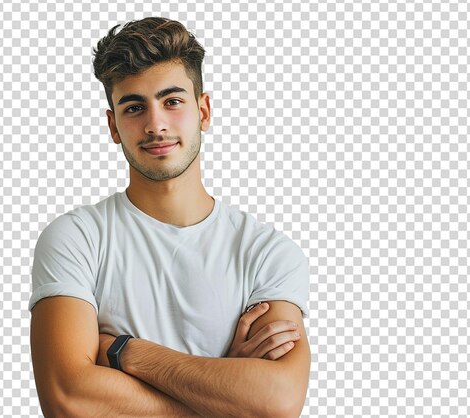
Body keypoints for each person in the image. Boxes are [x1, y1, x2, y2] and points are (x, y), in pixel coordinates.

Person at [29, 16, 310, 417]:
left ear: (204, 111)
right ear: (113, 126)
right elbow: (68, 399)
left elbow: (278, 401)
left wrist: (125, 351)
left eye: (172, 101)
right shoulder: (77, 238)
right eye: (134, 107)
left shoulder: (266, 252)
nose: (155, 124)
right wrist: (225, 392)